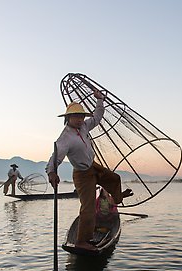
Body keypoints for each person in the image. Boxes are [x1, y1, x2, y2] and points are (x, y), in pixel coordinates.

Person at [46, 89, 133, 252]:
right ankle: (81, 241)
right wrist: (52, 172)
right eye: (76, 117)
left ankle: (117, 198)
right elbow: (55, 157)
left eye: (81, 116)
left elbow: (97, 117)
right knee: (88, 208)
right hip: (82, 174)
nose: (80, 119)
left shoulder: (84, 126)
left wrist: (100, 100)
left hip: (93, 167)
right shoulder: (65, 138)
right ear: (68, 118)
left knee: (115, 178)